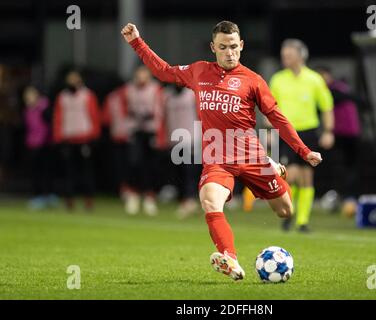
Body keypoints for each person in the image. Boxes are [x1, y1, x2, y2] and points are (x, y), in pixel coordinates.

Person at [121, 21, 322, 281]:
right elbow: (163, 72)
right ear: (213, 48)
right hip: (217, 158)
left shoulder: (253, 80)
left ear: (242, 46)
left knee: (285, 211)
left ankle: (275, 168)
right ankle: (231, 259)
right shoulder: (199, 71)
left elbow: (278, 118)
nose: (230, 52)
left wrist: (303, 151)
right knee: (210, 203)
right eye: (223, 47)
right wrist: (137, 42)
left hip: (251, 156)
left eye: (234, 47)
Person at [269, 39, 334, 233]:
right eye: (283, 55)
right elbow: (270, 108)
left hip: (309, 132)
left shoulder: (314, 79)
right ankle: (290, 211)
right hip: (286, 132)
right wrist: (269, 130)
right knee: (291, 175)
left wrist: (328, 131)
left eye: (288, 55)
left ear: (300, 56)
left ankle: (302, 222)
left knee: (307, 177)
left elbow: (327, 107)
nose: (284, 58)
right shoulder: (278, 79)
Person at [118, 66, 166, 216]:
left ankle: (149, 197)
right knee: (134, 163)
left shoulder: (156, 89)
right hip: (135, 131)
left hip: (150, 131)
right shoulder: (128, 89)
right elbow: (124, 109)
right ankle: (133, 195)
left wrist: (157, 131)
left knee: (151, 165)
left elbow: (160, 111)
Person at [53, 70, 101, 211]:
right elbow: (58, 118)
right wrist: (58, 137)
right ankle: (69, 200)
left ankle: (89, 200)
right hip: (68, 139)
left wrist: (94, 136)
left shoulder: (87, 95)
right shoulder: (62, 97)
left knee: (87, 172)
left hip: (84, 139)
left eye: (75, 79)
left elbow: (94, 116)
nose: (72, 82)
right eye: (70, 79)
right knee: (69, 173)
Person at [316, 66, 361, 201]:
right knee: (339, 167)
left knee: (347, 166)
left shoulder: (335, 90)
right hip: (340, 134)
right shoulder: (339, 89)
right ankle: (341, 195)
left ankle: (348, 196)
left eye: (322, 76)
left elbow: (342, 98)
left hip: (346, 134)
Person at [164, 84, 202, 218]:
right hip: (174, 138)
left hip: (191, 138)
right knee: (178, 171)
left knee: (189, 170)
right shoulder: (167, 95)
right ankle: (184, 199)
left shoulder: (191, 94)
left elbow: (201, 114)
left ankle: (190, 199)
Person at [23, 86, 56, 210]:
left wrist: (48, 140)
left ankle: (47, 196)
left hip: (45, 144)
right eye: (26, 97)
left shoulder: (44, 107)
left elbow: (49, 125)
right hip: (32, 144)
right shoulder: (27, 110)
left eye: (31, 95)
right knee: (35, 171)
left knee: (46, 171)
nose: (28, 98)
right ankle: (38, 196)